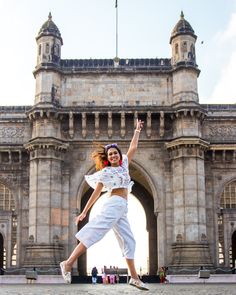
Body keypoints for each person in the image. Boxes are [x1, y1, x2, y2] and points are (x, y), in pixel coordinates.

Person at [60, 119, 149, 291]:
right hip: (114, 204)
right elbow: (96, 192)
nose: (114, 155)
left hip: (122, 208)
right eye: (111, 155)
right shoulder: (105, 172)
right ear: (107, 159)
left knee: (129, 241)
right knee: (96, 231)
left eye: (115, 153)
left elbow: (133, 148)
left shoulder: (124, 165)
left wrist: (137, 130)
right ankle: (68, 263)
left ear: (119, 155)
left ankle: (135, 278)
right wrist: (84, 212)